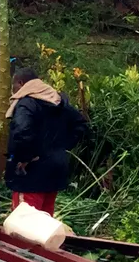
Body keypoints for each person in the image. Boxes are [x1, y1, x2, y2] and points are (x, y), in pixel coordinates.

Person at [6, 67, 88, 214]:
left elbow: (21, 132)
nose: (14, 91)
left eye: (14, 86)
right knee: (45, 220)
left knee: (24, 222)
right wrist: (63, 147)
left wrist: (26, 158)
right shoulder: (58, 101)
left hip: (30, 175)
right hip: (55, 170)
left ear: (21, 83)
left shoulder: (27, 103)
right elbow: (81, 124)